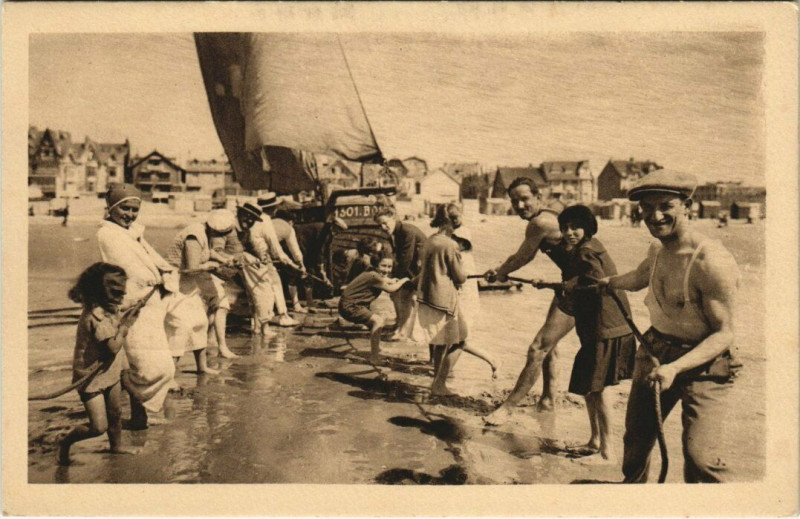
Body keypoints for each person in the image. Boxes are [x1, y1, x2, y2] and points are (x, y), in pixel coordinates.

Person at [599, 169, 740, 483]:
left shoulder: (711, 261)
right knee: (635, 444)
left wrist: (675, 368)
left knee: (700, 460)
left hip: (706, 363)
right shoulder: (657, 250)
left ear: (687, 205)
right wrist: (607, 283)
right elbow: (639, 278)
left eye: (665, 206)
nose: (655, 216)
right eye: (647, 209)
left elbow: (724, 333)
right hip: (655, 351)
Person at [483, 177, 575, 423]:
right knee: (550, 345)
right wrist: (500, 269)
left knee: (538, 348)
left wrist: (502, 273)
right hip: (571, 283)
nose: (520, 205)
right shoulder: (548, 215)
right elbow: (522, 254)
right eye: (515, 201)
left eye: (525, 199)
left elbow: (523, 258)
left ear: (538, 197)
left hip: (581, 287)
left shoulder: (541, 222)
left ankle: (508, 408)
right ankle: (547, 400)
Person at [558, 205, 636, 465]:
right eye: (565, 228)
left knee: (599, 390)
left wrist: (566, 286)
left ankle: (607, 452)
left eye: (575, 227)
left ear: (587, 228)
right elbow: (586, 281)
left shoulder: (586, 251)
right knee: (590, 388)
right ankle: (594, 441)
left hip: (606, 328)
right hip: (601, 328)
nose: (569, 232)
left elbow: (597, 283)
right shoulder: (591, 246)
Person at [96, 183, 177, 429]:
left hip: (151, 307)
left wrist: (165, 276)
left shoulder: (133, 232)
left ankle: (139, 416)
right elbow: (128, 272)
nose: (130, 215)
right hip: (133, 308)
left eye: (134, 210)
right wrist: (157, 280)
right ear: (111, 208)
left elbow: (156, 263)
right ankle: (133, 396)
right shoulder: (108, 234)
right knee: (149, 367)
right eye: (125, 209)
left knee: (150, 364)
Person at [57, 262, 140, 465]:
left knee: (116, 413)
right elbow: (112, 347)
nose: (122, 297)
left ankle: (116, 447)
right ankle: (65, 443)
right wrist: (125, 327)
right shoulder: (95, 316)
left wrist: (133, 309)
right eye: (118, 293)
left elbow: (119, 313)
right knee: (98, 427)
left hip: (109, 372)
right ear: (101, 293)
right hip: (90, 379)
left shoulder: (107, 308)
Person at [165, 210, 241, 373]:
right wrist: (208, 266)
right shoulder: (194, 236)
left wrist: (227, 260)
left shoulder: (205, 232)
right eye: (222, 236)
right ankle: (169, 374)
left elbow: (209, 252)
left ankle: (202, 367)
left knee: (201, 322)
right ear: (215, 232)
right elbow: (192, 269)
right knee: (182, 328)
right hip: (176, 284)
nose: (222, 240)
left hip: (189, 285)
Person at [417, 205, 468, 396]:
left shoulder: (430, 240)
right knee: (460, 340)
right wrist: (465, 273)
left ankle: (436, 381)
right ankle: (439, 383)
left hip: (428, 297)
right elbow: (460, 277)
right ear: (452, 221)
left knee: (439, 342)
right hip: (444, 299)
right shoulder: (450, 244)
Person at [446, 205, 499, 377]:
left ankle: (446, 373)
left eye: (457, 241)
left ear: (464, 244)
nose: (454, 243)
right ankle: (447, 370)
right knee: (455, 337)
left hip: (466, 301)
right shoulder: (458, 255)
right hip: (459, 299)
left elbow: (461, 280)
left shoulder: (465, 258)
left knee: (461, 339)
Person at [338, 250, 410, 363]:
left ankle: (376, 349)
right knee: (379, 321)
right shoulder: (374, 277)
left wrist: (390, 280)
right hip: (351, 306)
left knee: (376, 322)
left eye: (389, 267)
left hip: (349, 304)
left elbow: (381, 279)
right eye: (383, 266)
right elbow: (391, 289)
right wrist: (404, 280)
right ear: (376, 264)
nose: (386, 269)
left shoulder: (371, 272)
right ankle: (374, 357)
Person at [374, 205, 426, 341]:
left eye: (385, 223)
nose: (383, 228)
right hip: (412, 268)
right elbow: (398, 257)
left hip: (421, 269)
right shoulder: (396, 232)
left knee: (403, 296)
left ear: (393, 217)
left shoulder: (407, 231)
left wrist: (396, 278)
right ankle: (399, 323)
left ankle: (403, 331)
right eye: (380, 225)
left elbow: (406, 258)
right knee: (395, 294)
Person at [234, 203, 283, 337]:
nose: (250, 221)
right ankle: (265, 328)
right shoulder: (231, 227)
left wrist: (262, 256)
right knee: (263, 288)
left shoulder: (246, 230)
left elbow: (251, 246)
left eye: (253, 219)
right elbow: (234, 249)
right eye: (248, 217)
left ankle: (257, 327)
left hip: (238, 262)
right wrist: (250, 258)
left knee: (254, 292)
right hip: (230, 262)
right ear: (240, 214)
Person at [256, 193, 302, 327]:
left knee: (260, 287)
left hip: (251, 255)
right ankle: (283, 316)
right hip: (263, 256)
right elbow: (277, 248)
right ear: (274, 208)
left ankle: (263, 317)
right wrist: (295, 263)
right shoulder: (269, 222)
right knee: (275, 284)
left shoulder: (256, 218)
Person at [271, 209, 309, 313]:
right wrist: (301, 264)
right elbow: (295, 250)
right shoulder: (288, 228)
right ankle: (287, 311)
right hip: (271, 255)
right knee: (276, 283)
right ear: (290, 221)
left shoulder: (269, 222)